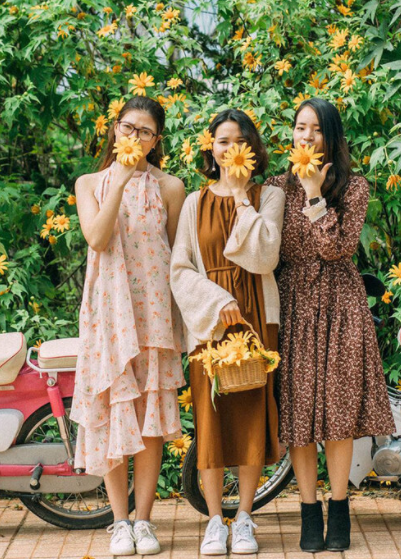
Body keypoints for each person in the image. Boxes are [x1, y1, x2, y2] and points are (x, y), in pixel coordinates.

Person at [265, 97, 395, 552]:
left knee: (338, 415)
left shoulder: (353, 186)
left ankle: (339, 508)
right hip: (293, 304)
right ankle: (307, 511)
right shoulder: (274, 188)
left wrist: (317, 194)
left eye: (317, 129)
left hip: (340, 303)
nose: (306, 136)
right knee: (299, 415)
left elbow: (337, 250)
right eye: (301, 127)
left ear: (332, 136)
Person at [71, 96, 187, 556]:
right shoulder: (90, 183)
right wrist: (118, 179)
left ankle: (144, 520)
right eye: (127, 128)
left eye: (145, 132)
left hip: (154, 314)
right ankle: (119, 522)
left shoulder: (171, 187)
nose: (134, 138)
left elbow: (178, 256)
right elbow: (97, 239)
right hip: (108, 316)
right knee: (112, 414)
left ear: (157, 140)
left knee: (149, 421)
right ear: (114, 130)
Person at [170, 108, 284, 555]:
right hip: (211, 321)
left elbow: (265, 257)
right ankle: (215, 519)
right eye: (222, 141)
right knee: (210, 418)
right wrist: (218, 303)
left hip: (257, 315)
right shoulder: (194, 203)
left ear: (251, 148)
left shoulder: (267, 195)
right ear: (211, 148)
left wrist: (240, 198)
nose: (230, 149)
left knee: (253, 413)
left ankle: (245, 518)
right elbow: (179, 269)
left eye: (239, 141)